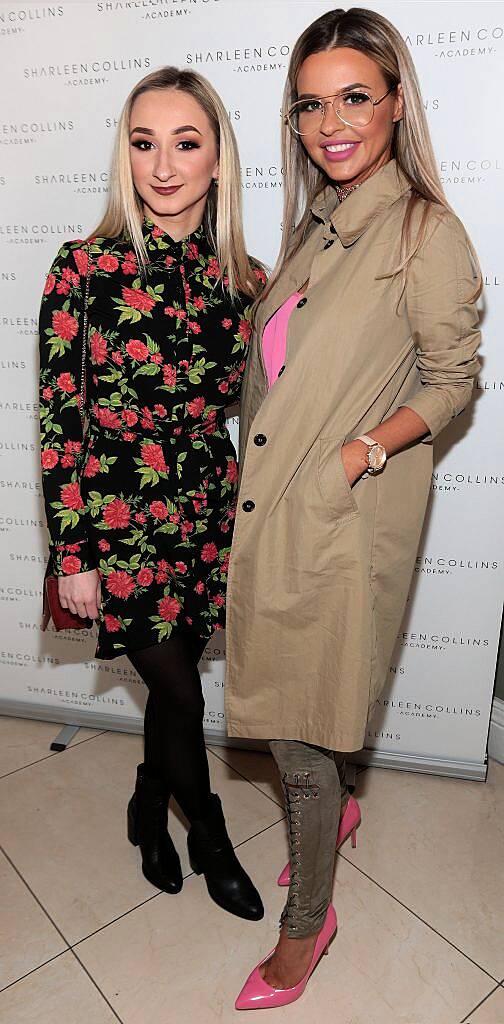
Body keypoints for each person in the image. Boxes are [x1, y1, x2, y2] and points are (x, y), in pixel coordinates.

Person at [226, 7, 482, 1009]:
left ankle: (308, 922)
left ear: (396, 104)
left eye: (354, 98)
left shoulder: (426, 231)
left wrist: (361, 449)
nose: (331, 122)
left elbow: (455, 378)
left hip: (338, 516)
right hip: (275, 511)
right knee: (304, 722)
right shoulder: (315, 223)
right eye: (310, 105)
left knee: (299, 730)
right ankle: (332, 825)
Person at [39, 66, 265, 921]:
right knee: (179, 690)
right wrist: (73, 551)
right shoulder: (85, 268)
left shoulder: (244, 277)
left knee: (172, 689)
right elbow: (63, 419)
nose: (163, 166)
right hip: (118, 518)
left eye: (186, 142)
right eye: (143, 143)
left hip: (207, 512)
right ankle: (206, 829)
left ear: (218, 159)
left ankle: (146, 802)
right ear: (124, 155)